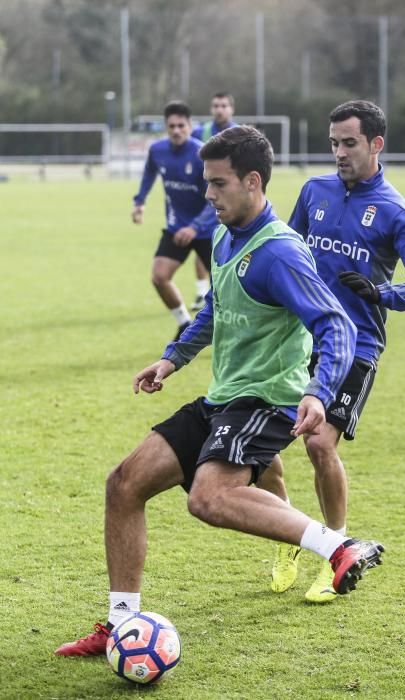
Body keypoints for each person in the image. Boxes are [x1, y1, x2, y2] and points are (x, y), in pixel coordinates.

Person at [55, 126, 384, 657]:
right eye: (207, 183)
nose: (207, 194)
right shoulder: (228, 234)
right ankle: (120, 625)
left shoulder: (279, 252)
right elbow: (214, 308)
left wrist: (320, 392)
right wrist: (171, 358)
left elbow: (336, 325)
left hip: (266, 399)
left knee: (209, 497)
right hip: (223, 397)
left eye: (218, 183)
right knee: (123, 484)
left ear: (252, 182)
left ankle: (339, 546)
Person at [262, 100, 405, 603]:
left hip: (355, 345)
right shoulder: (314, 190)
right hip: (298, 338)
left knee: (319, 444)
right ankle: (289, 538)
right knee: (264, 444)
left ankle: (336, 551)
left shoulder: (394, 211)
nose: (339, 152)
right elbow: (288, 249)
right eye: (334, 143)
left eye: (349, 143)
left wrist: (381, 293)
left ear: (376, 144)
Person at [132, 100, 217, 340]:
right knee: (159, 276)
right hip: (176, 227)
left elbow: (216, 198)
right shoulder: (157, 150)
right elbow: (149, 172)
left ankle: (228, 331)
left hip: (208, 230)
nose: (177, 130)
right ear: (166, 127)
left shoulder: (202, 154)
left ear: (190, 126)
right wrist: (139, 201)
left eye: (181, 125)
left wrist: (196, 226)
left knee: (225, 288)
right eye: (172, 126)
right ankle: (184, 323)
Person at [190, 92, 237, 311]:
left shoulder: (238, 134)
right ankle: (203, 293)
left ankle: (225, 293)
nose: (219, 109)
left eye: (223, 105)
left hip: (230, 200)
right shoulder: (201, 132)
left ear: (231, 109)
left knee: (225, 250)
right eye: (215, 105)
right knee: (203, 246)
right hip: (204, 199)